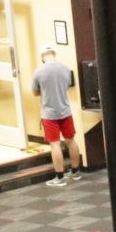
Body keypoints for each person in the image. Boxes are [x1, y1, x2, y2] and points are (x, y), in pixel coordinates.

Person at [32, 45, 84, 188]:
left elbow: (35, 92)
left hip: (49, 114)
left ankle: (60, 177)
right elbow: (67, 86)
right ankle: (75, 171)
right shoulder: (65, 69)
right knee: (71, 141)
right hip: (66, 111)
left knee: (55, 145)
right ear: (54, 54)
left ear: (43, 57)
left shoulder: (38, 72)